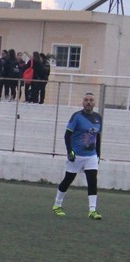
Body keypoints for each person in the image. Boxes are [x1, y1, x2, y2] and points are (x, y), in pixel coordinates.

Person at [51, 92, 103, 220]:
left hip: (91, 156)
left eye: (91, 100)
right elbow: (67, 135)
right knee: (68, 179)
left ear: (94, 103)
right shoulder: (77, 116)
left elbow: (98, 137)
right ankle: (57, 205)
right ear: (83, 102)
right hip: (77, 155)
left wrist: (98, 154)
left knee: (92, 180)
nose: (88, 102)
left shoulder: (98, 118)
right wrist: (70, 151)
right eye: (86, 100)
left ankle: (92, 210)